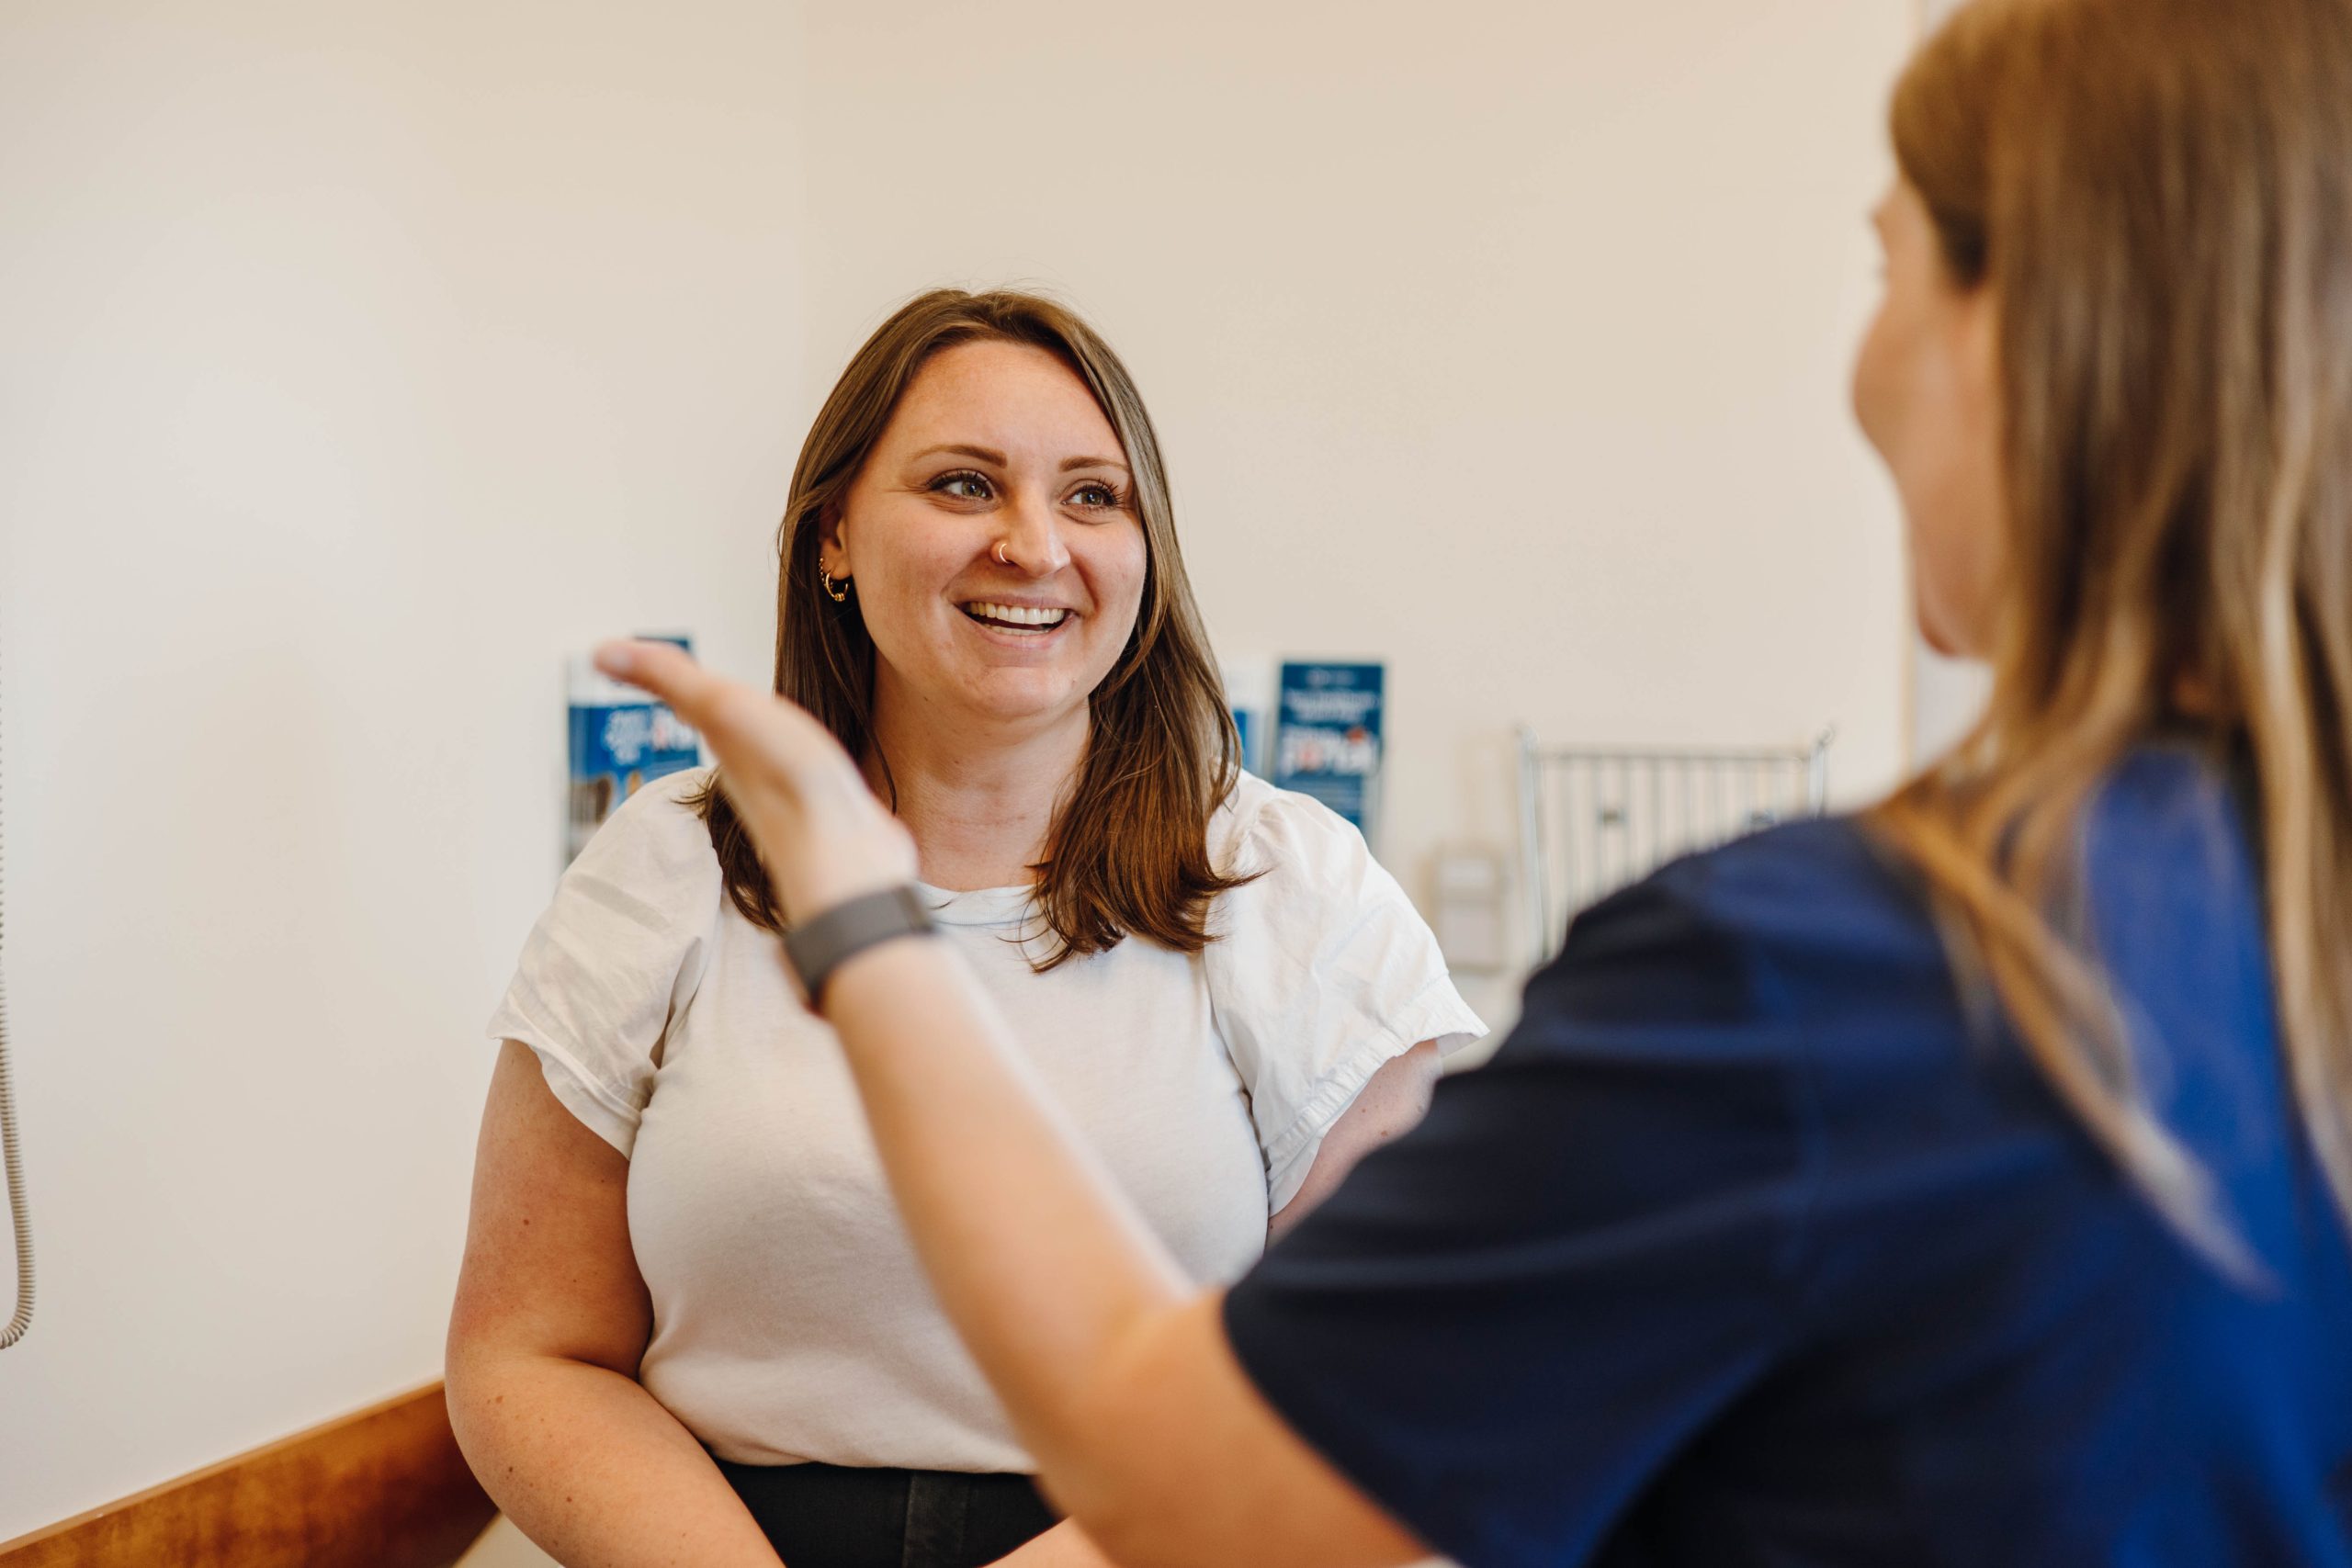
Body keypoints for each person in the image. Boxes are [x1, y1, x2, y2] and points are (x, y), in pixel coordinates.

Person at [592, 0, 2352, 1562]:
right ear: (837, 535)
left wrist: (858, 914)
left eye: (1889, 267)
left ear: (2034, 336)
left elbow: (1189, 1476)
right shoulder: (2277, 921)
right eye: (960, 486)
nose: (1863, 364)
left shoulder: (1812, 979)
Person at [447, 290, 1484, 1568]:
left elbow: (1362, 1386)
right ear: (834, 534)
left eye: (1094, 496)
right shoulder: (667, 864)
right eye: (962, 485)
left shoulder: (1296, 890)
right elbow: (529, 1349)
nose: (1034, 544)